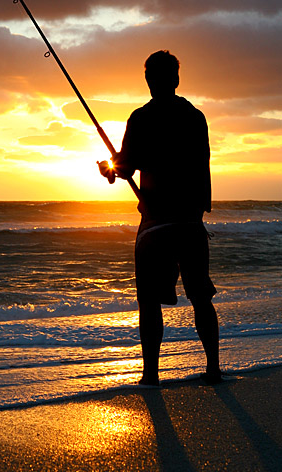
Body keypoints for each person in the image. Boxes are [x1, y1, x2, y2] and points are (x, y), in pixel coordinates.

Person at [99, 50, 221, 386]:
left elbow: (123, 169)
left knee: (149, 301)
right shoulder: (196, 117)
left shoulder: (140, 118)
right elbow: (201, 165)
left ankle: (151, 374)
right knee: (200, 298)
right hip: (191, 222)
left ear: (149, 80)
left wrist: (108, 169)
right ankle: (213, 369)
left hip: (155, 225)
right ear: (176, 78)